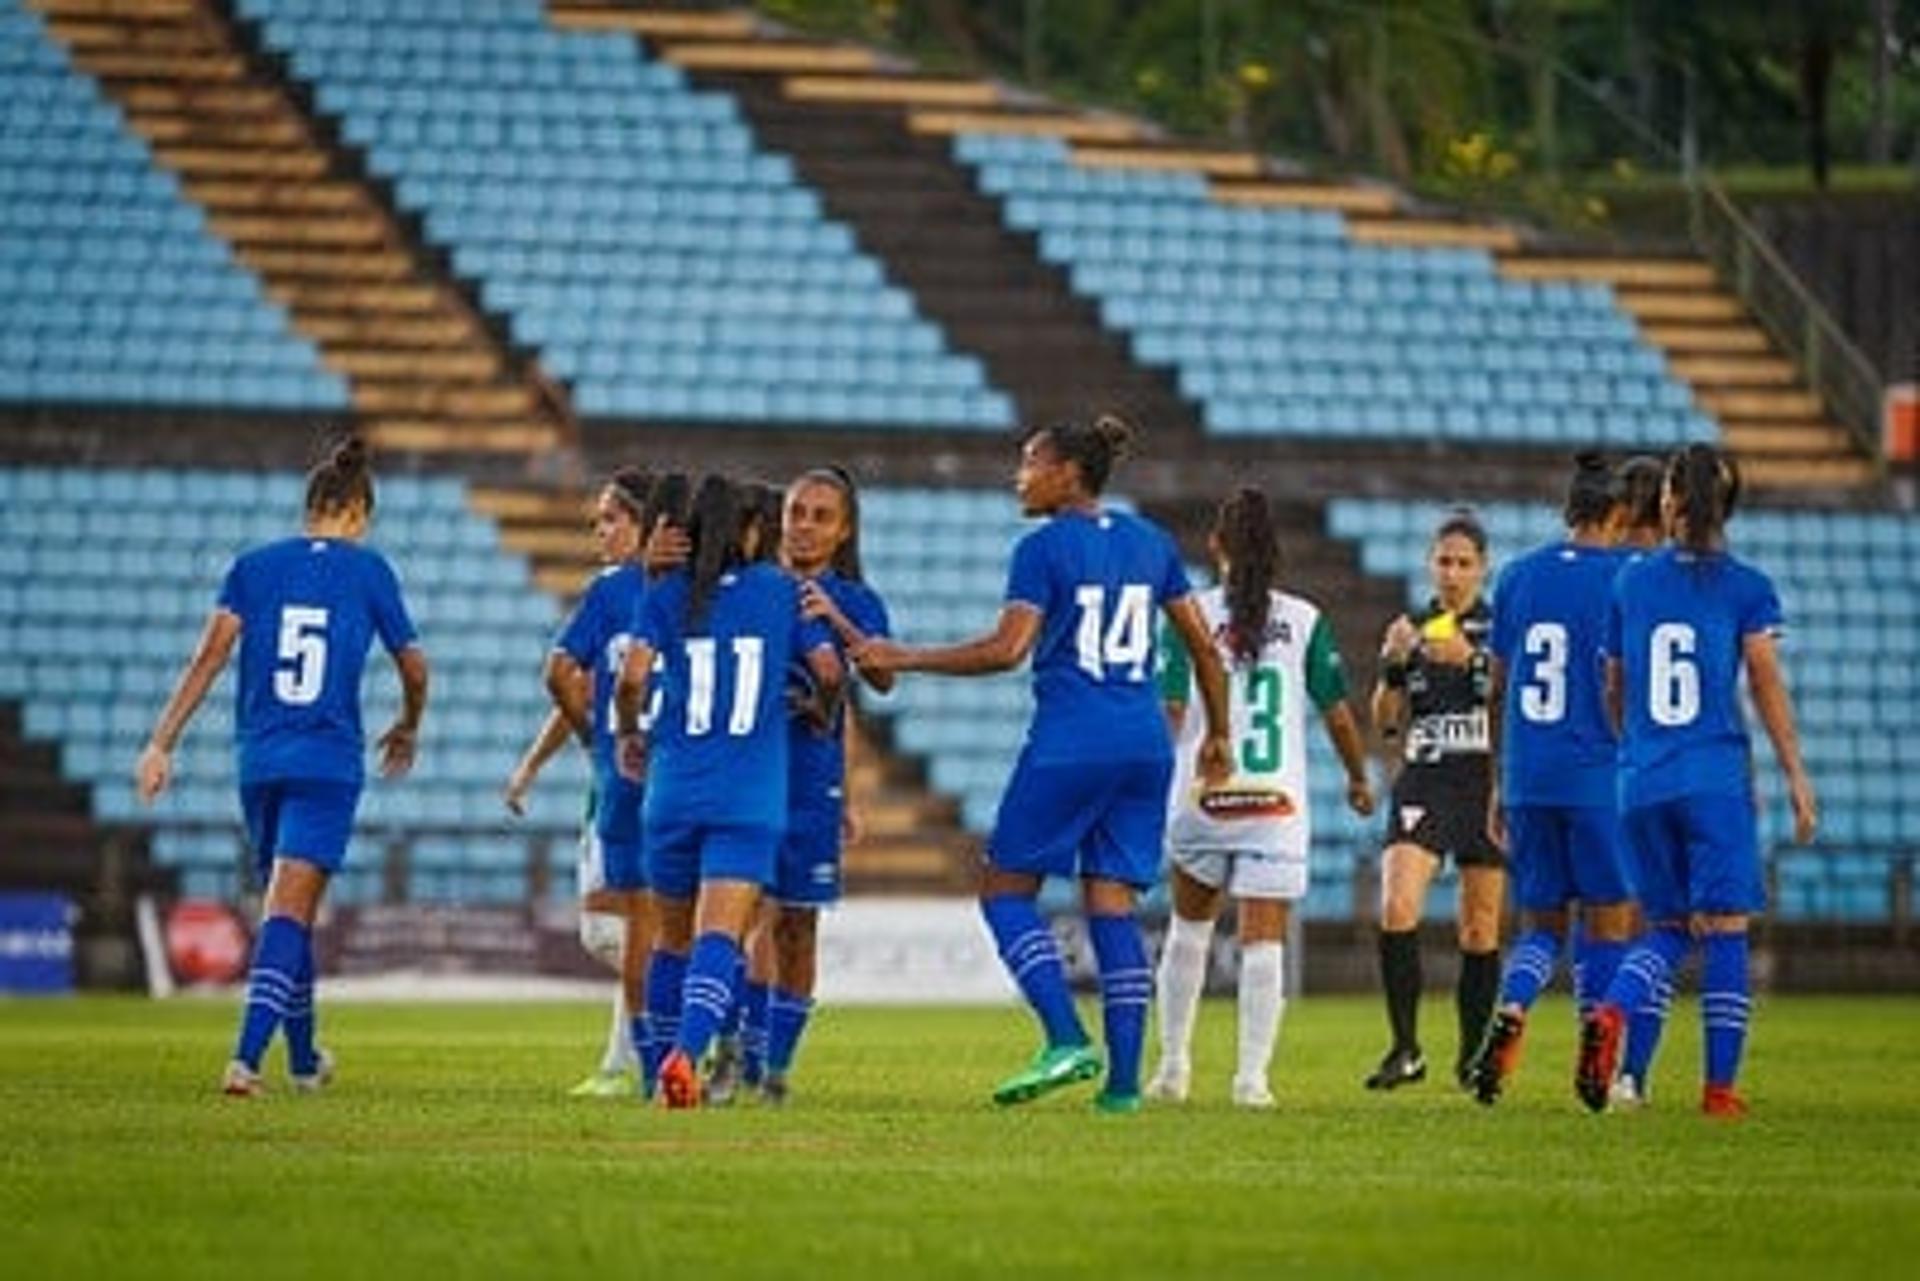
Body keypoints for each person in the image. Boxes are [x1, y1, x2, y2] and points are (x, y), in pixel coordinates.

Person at [854, 415, 1233, 1113]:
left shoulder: (1042, 548)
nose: (1018, 475)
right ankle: (1122, 1089)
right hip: (1145, 745)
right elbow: (1205, 648)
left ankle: (1064, 1036)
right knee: (1112, 904)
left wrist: (901, 654)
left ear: (1066, 473)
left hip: (1070, 743)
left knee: (1003, 891)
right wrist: (1219, 737)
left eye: (1029, 462)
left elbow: (1007, 648)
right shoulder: (1152, 542)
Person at [135, 438, 428, 1096]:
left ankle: (303, 1062)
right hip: (326, 762)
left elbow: (209, 657)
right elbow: (415, 665)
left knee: (289, 908)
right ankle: (243, 1061)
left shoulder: (253, 567)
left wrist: (161, 741)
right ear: (356, 511)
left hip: (260, 761)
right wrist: (409, 723)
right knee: (289, 913)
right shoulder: (369, 570)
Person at [1579, 445, 1817, 1117]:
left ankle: (1611, 1013)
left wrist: (1635, 748)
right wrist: (1796, 771)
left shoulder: (1631, 581)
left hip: (1641, 781)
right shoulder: (1746, 586)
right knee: (1725, 928)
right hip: (1713, 776)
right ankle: (1718, 1090)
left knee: (1667, 924)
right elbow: (1765, 680)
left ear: (1667, 501)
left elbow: (1613, 682)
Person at [614, 476, 842, 1109]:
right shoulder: (783, 591)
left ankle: (658, 1074)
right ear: (747, 531)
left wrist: (631, 734)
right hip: (749, 799)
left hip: (674, 790)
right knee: (722, 937)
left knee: (672, 939)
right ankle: (687, 1059)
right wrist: (819, 710)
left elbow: (631, 679)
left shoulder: (666, 594)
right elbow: (828, 669)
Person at [1146, 487, 1374, 1108]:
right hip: (1275, 805)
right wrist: (1357, 777)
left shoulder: (1187, 612)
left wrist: (1144, 778)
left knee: (1187, 932)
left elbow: (1168, 710)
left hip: (1203, 794)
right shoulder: (1303, 620)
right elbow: (1338, 714)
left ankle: (1173, 1068)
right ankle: (1251, 1080)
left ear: (1215, 545)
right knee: (1263, 943)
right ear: (1275, 554)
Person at [709, 467, 894, 1105]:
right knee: (739, 914)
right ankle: (732, 1054)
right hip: (748, 772)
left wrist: (837, 619)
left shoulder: (858, 601)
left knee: (796, 926)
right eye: (795, 512)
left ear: (844, 531)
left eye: (820, 516)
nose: (804, 525)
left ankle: (777, 1070)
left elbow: (881, 683)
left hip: (813, 780)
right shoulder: (754, 590)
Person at [1467, 453, 1635, 1105]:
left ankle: (1511, 1011)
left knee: (1540, 927)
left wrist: (1494, 783)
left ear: (1568, 512)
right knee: (1609, 923)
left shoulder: (1516, 577)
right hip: (1598, 776)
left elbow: (1497, 686)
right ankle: (1597, 1042)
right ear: (1616, 515)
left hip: (1528, 776)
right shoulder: (1629, 576)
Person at [1366, 509, 1501, 1092]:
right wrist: (1392, 668)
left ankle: (1473, 1056)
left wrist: (1472, 663)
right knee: (1397, 908)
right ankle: (1405, 1048)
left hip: (1483, 783)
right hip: (1423, 779)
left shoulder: (1501, 631)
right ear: (1430, 564)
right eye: (1443, 561)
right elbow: (1385, 723)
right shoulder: (1412, 627)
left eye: (1463, 563)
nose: (1451, 573)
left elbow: (1515, 701)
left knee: (1479, 929)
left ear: (1483, 569)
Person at [540, 467, 657, 1097]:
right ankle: (692, 1012)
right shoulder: (691, 594)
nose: (601, 531)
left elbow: (559, 675)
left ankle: (633, 1060)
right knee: (626, 929)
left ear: (645, 525)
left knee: (625, 928)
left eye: (612, 519)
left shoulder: (615, 592)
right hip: (669, 774)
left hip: (628, 775)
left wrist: (598, 739)